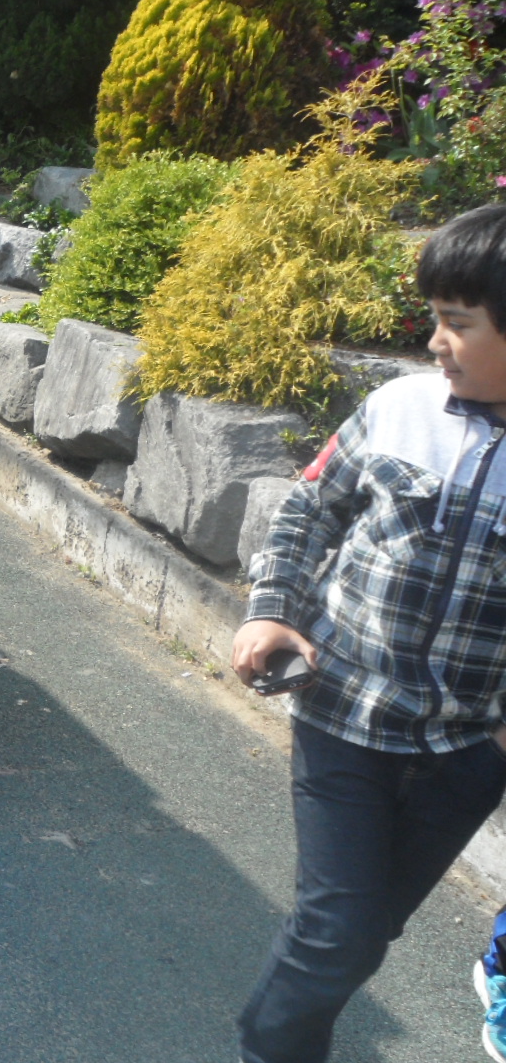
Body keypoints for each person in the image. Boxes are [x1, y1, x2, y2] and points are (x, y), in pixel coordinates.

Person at [230, 204, 506, 1063]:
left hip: (466, 753)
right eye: (434, 319)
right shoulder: (398, 408)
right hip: (344, 716)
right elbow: (309, 512)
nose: (434, 341)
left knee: (365, 928)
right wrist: (271, 607)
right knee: (338, 930)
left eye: (457, 324)